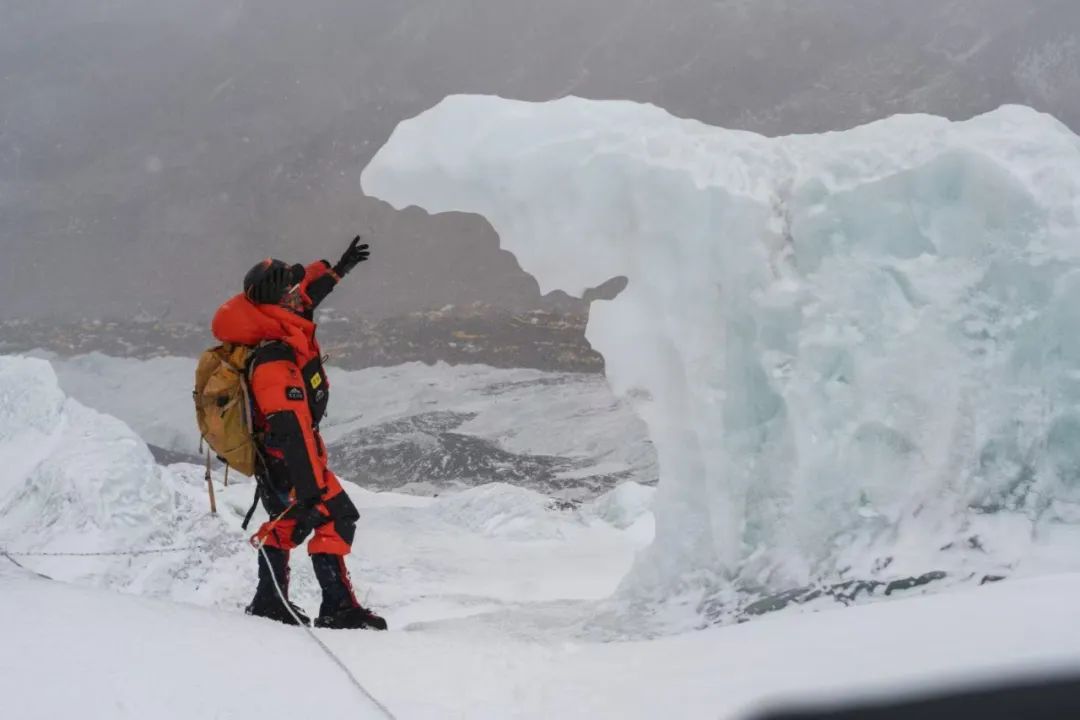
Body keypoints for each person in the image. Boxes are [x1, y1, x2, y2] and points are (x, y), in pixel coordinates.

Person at [210, 236, 387, 630]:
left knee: (286, 523)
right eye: (290, 291)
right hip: (290, 461)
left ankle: (269, 603)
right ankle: (337, 608)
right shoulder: (276, 360)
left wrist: (337, 270)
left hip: (275, 461)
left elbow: (307, 294)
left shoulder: (273, 321)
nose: (298, 295)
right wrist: (308, 489)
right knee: (336, 516)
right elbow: (290, 429)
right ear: (278, 300)